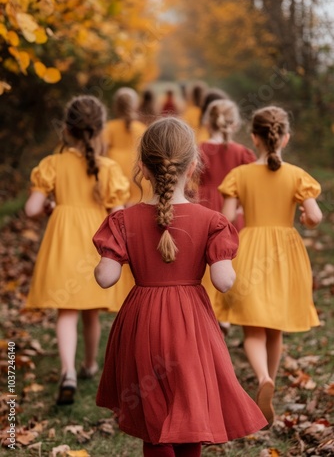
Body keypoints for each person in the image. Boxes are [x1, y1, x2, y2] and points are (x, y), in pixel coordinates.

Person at [93, 117, 267, 456]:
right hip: (192, 324)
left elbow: (105, 278)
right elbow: (223, 280)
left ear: (142, 166)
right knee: (191, 406)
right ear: (192, 167)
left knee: (152, 417)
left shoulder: (123, 220)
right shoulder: (212, 222)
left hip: (142, 323)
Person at [218, 105, 322, 428]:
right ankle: (269, 386)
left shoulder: (240, 175)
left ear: (254, 138)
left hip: (250, 249)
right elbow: (315, 217)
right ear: (285, 138)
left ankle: (262, 377)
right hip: (285, 255)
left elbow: (226, 217)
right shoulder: (296, 175)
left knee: (252, 326)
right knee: (274, 325)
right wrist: (304, 218)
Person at [24, 95, 130, 405]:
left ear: (66, 130)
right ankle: (89, 365)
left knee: (66, 311)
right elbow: (118, 212)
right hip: (95, 243)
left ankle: (67, 370)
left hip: (63, 242)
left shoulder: (52, 163)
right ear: (98, 132)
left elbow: (31, 208)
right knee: (90, 311)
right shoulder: (108, 168)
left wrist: (49, 205)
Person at [198, 99, 256, 329]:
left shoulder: (201, 149)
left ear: (207, 122)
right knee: (229, 258)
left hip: (206, 209)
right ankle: (228, 310)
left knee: (205, 258)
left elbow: (192, 180)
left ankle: (210, 308)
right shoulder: (243, 153)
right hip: (233, 209)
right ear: (234, 124)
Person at [103, 87, 149, 205]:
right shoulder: (142, 128)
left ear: (116, 106)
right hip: (137, 171)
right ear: (135, 105)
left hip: (115, 171)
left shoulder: (109, 127)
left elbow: (102, 150)